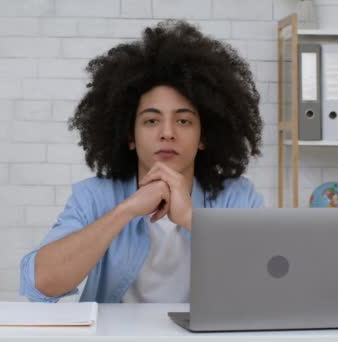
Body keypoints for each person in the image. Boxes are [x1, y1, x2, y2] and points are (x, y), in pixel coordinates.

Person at [19, 19, 264, 303]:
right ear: (130, 136)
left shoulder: (237, 198)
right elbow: (42, 282)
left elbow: (268, 279)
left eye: (183, 121)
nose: (167, 133)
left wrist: (190, 219)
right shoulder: (94, 197)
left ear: (203, 137)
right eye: (151, 121)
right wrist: (125, 211)